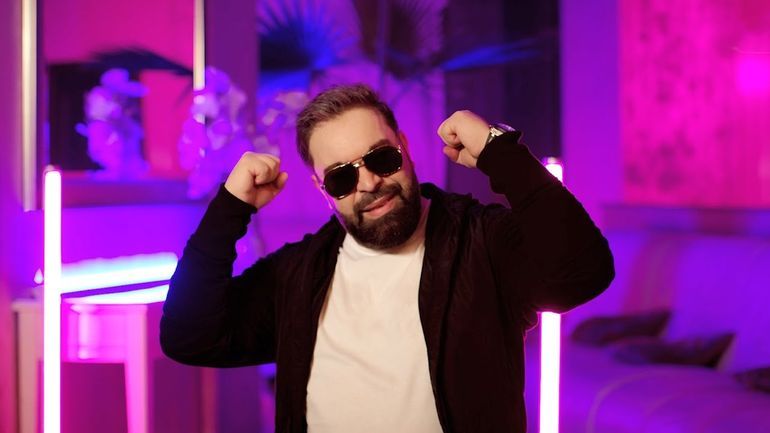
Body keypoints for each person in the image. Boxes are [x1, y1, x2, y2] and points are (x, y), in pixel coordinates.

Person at [160, 84, 614, 433]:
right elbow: (189, 336)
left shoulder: (479, 241)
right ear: (322, 190)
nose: (368, 183)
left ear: (404, 146)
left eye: (381, 158)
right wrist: (229, 209)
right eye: (341, 178)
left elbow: (583, 271)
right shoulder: (298, 274)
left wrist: (500, 153)